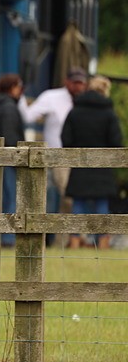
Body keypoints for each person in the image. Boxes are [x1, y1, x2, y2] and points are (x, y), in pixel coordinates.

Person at [61, 75, 122, 249]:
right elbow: (116, 141)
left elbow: (66, 139)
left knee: (78, 203)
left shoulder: (75, 111)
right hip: (103, 166)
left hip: (80, 165)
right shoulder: (109, 113)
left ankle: (74, 241)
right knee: (101, 203)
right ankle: (102, 243)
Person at [23, 67, 88, 213]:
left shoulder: (86, 100)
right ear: (66, 82)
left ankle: (70, 227)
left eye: (81, 83)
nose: (78, 87)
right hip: (58, 155)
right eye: (75, 83)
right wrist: (20, 97)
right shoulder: (51, 97)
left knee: (74, 198)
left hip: (82, 156)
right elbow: (28, 116)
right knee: (65, 195)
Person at [0, 73, 25, 246]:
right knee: (12, 198)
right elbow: (10, 135)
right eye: (18, 86)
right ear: (11, 87)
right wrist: (19, 155)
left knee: (0, 198)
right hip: (9, 159)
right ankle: (8, 238)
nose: (20, 91)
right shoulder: (9, 107)